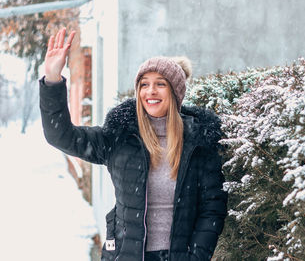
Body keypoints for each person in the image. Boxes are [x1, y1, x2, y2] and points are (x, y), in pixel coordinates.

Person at [39, 28, 228, 261]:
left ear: (176, 92)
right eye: (144, 84)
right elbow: (61, 136)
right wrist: (52, 80)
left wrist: (196, 256)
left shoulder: (198, 143)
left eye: (161, 84)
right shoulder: (120, 137)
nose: (150, 91)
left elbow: (213, 207)